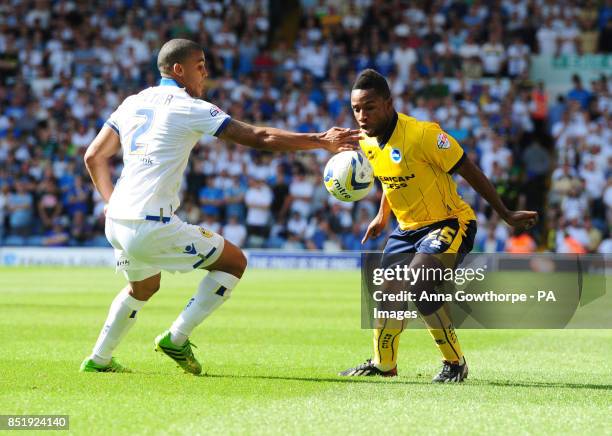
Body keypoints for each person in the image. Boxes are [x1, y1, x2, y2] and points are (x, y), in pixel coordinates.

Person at [80, 39, 359, 374]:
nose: (205, 73)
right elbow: (259, 137)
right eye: (200, 66)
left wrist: (110, 202)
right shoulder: (188, 106)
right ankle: (177, 337)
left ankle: (98, 359)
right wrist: (319, 140)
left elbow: (93, 156)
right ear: (178, 70)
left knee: (143, 287)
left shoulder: (131, 103)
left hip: (117, 222)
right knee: (234, 262)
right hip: (150, 223)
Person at [339, 69, 537, 382]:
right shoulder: (367, 142)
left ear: (389, 103)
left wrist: (505, 213)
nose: (362, 116)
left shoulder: (423, 134)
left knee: (420, 281)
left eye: (370, 107)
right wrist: (382, 214)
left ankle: (455, 363)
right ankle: (383, 363)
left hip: (450, 221)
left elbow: (468, 169)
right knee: (388, 287)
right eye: (356, 109)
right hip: (407, 230)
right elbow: (392, 178)